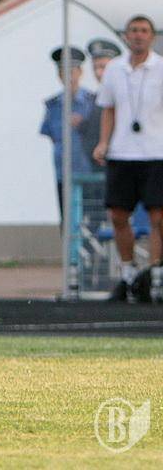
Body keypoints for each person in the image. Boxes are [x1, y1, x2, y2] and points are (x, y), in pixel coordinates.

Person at [93, 16, 163, 303]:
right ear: (126, 36)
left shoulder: (160, 67)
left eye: (144, 31)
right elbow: (108, 108)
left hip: (155, 152)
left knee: (158, 216)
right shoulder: (114, 69)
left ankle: (156, 273)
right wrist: (104, 142)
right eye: (133, 30)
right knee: (118, 215)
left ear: (152, 36)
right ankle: (128, 272)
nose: (138, 35)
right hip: (123, 152)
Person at [39, 46, 94, 221]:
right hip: (64, 171)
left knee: (92, 218)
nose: (68, 76)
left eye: (72, 71)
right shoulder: (53, 105)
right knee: (68, 220)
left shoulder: (93, 101)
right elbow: (51, 134)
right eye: (63, 71)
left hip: (89, 171)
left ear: (80, 72)